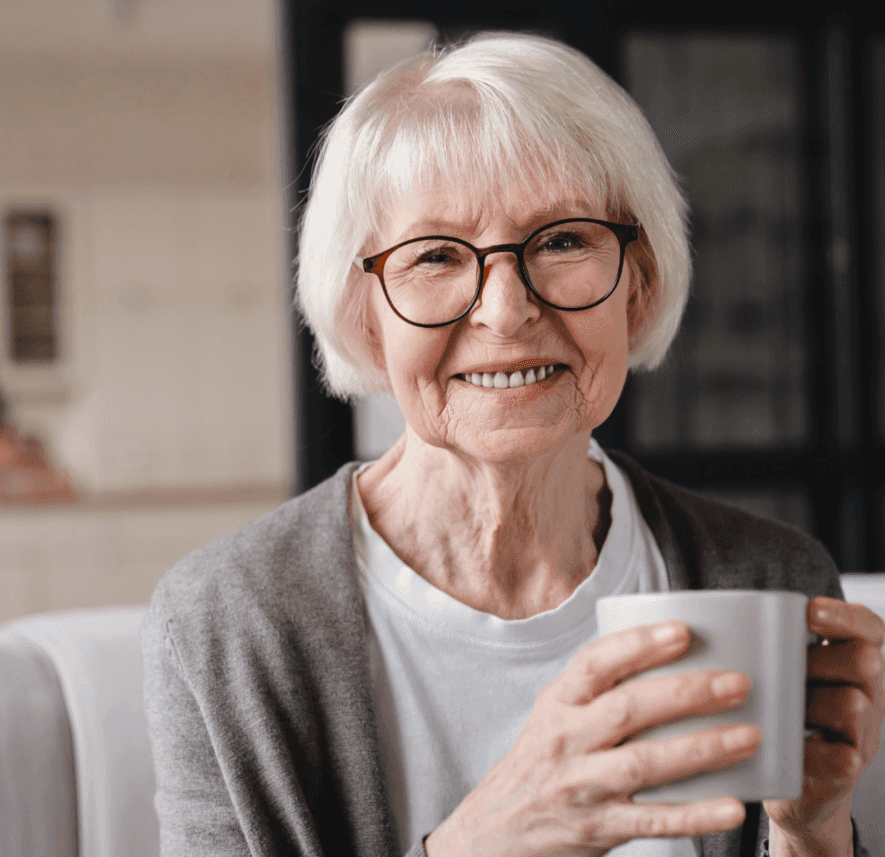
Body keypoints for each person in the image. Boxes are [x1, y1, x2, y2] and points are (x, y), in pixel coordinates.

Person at [142, 32, 884, 857]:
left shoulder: (770, 579)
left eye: (563, 240)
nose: (505, 309)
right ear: (366, 317)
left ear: (636, 285)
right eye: (435, 255)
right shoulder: (228, 623)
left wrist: (812, 830)